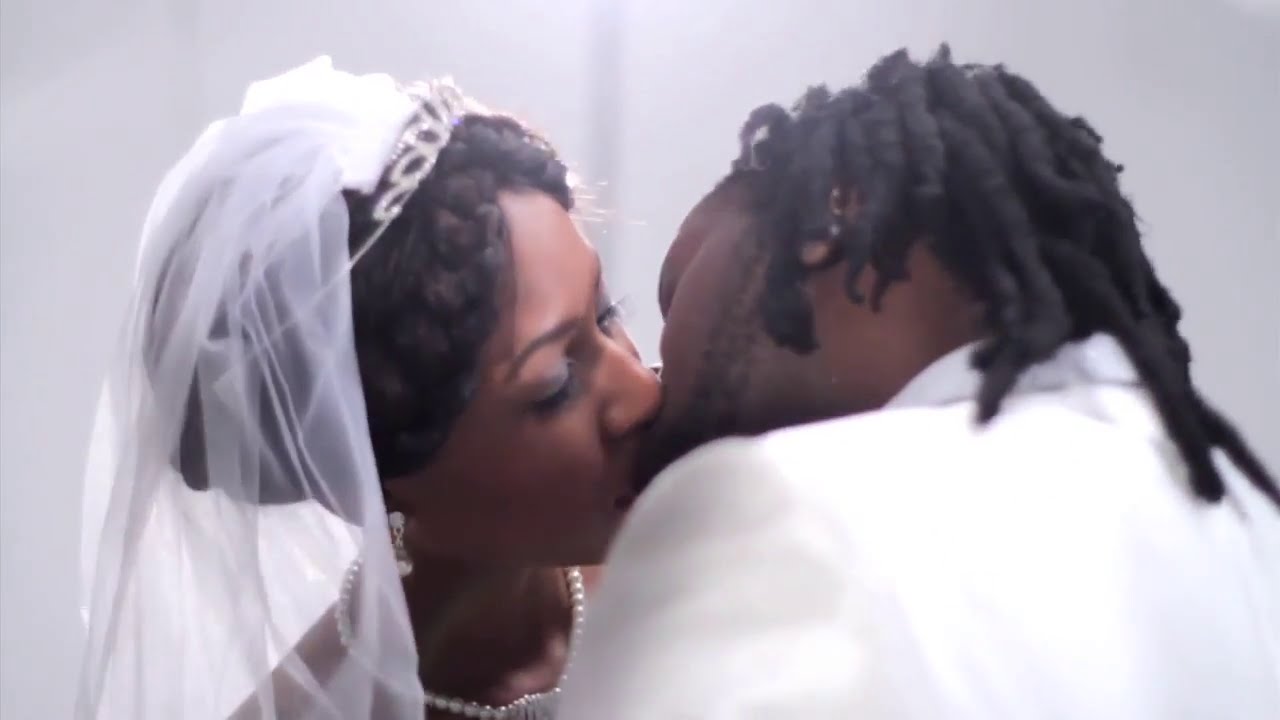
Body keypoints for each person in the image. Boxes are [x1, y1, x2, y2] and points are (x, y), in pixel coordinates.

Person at [558, 46, 1280, 718]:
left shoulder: (770, 510)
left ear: (829, 217)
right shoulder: (1248, 524)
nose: (651, 374)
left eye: (671, 293)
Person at [77, 57, 660, 720]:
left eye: (608, 313)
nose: (644, 390)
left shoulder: (708, 554)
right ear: (371, 469)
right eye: (556, 385)